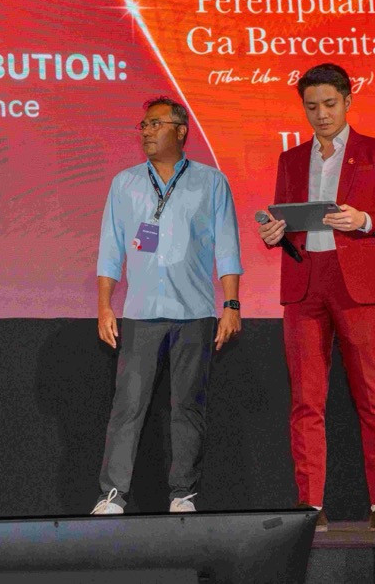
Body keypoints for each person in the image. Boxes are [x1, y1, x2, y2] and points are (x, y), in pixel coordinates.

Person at [258, 62, 375, 534]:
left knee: (372, 395)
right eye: (312, 107)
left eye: (329, 104)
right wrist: (274, 233)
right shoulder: (290, 159)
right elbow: (284, 222)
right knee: (306, 400)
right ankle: (311, 506)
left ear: (348, 101)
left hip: (357, 286)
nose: (322, 114)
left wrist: (364, 220)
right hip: (304, 284)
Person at [91, 96, 243, 516]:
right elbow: (110, 249)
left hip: (195, 312)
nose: (146, 131)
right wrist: (105, 307)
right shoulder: (124, 183)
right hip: (140, 313)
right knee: (127, 407)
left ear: (181, 131)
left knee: (188, 408)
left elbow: (227, 247)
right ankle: (112, 495)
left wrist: (231, 304)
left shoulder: (211, 182)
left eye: (155, 124)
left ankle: (184, 494)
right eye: (143, 125)